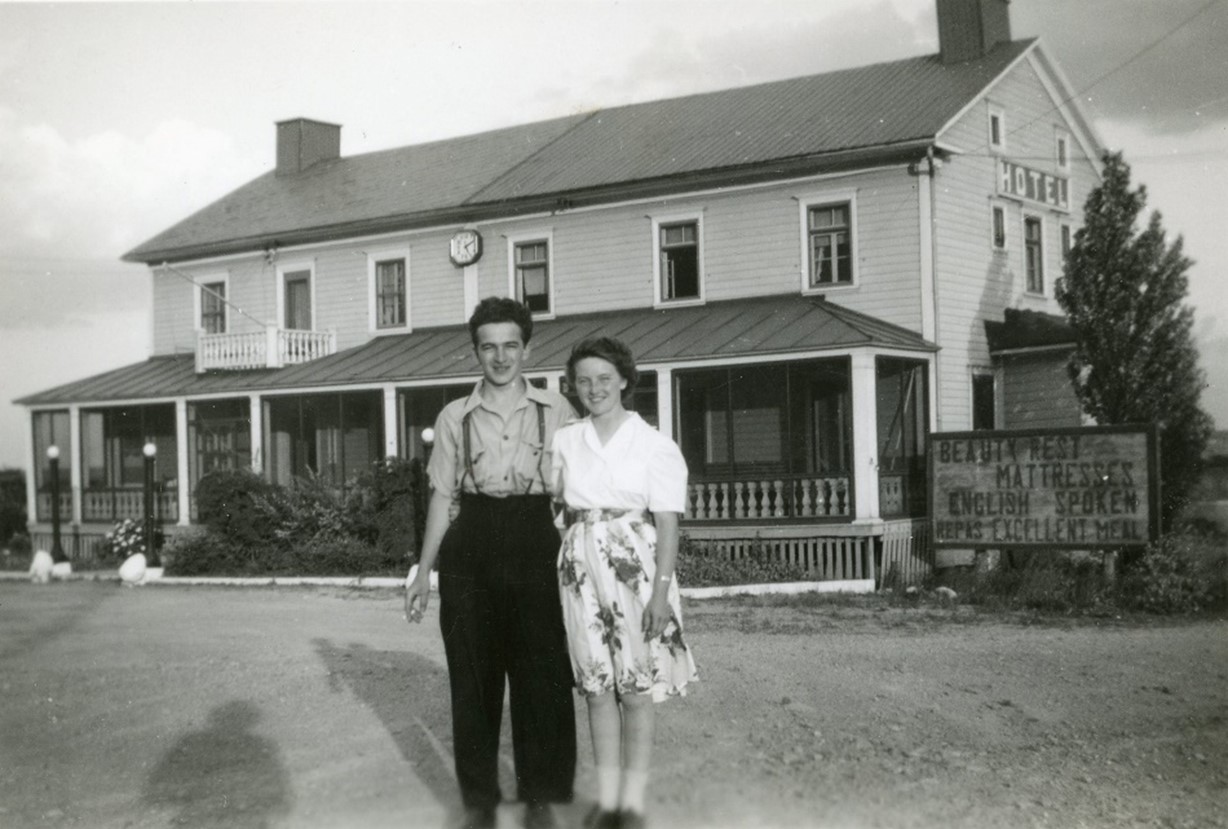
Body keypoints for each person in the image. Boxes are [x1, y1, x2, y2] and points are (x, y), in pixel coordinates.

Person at [405, 297, 577, 829]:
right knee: (474, 680)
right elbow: (440, 497)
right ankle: (479, 802)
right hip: (471, 544)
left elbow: (577, 491)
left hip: (535, 540)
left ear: (527, 348)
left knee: (541, 675)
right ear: (475, 352)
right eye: (488, 347)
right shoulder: (454, 416)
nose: (500, 357)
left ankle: (540, 799)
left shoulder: (558, 411)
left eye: (510, 346)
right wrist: (424, 572)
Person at [551, 337, 698, 829]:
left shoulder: (655, 443)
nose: (594, 389)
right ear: (573, 386)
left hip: (636, 567)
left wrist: (660, 591)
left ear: (624, 382)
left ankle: (632, 806)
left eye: (604, 379)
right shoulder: (567, 440)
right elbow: (555, 504)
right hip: (580, 565)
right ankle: (608, 802)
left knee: (634, 689)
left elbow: (669, 524)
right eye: (584, 380)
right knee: (595, 688)